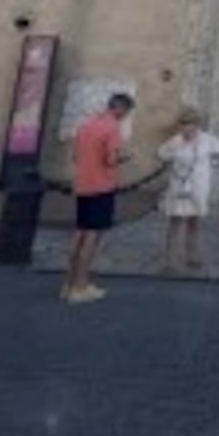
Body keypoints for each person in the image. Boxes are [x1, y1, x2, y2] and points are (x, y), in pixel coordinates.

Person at [61, 92, 135, 303]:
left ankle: (67, 283)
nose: (125, 116)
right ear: (120, 108)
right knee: (92, 238)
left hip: (82, 185)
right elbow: (110, 160)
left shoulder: (87, 125)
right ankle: (80, 287)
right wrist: (125, 157)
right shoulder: (112, 128)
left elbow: (75, 156)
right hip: (101, 186)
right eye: (127, 112)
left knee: (79, 233)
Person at [157, 107, 219, 271]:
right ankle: (170, 259)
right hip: (179, 186)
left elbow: (218, 152)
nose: (186, 128)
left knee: (195, 222)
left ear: (196, 125)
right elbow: (162, 154)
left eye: (189, 124)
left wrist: (209, 166)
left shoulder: (209, 141)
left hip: (198, 186)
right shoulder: (175, 142)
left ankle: (193, 256)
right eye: (183, 124)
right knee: (176, 222)